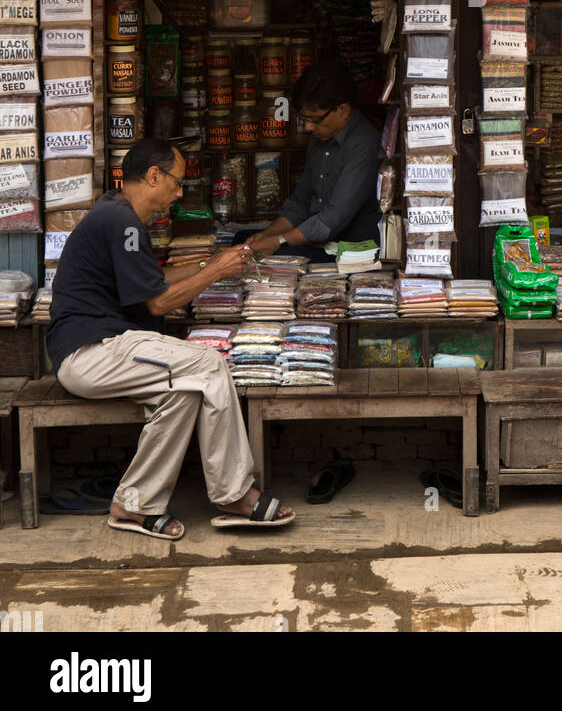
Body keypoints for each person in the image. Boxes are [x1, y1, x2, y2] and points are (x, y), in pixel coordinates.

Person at [47, 138, 294, 541]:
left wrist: (212, 263)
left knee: (184, 394)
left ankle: (133, 505)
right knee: (209, 363)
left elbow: (154, 283)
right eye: (177, 183)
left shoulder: (119, 215)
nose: (179, 193)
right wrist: (214, 272)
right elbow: (161, 303)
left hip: (103, 351)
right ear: (153, 175)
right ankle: (235, 494)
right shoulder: (121, 221)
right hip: (90, 353)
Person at [244, 60, 380, 261]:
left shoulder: (364, 143)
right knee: (242, 244)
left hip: (350, 250)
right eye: (304, 119)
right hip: (318, 242)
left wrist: (277, 241)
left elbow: (332, 219)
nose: (308, 127)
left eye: (315, 119)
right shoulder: (320, 137)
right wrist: (266, 235)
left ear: (342, 110)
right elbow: (301, 203)